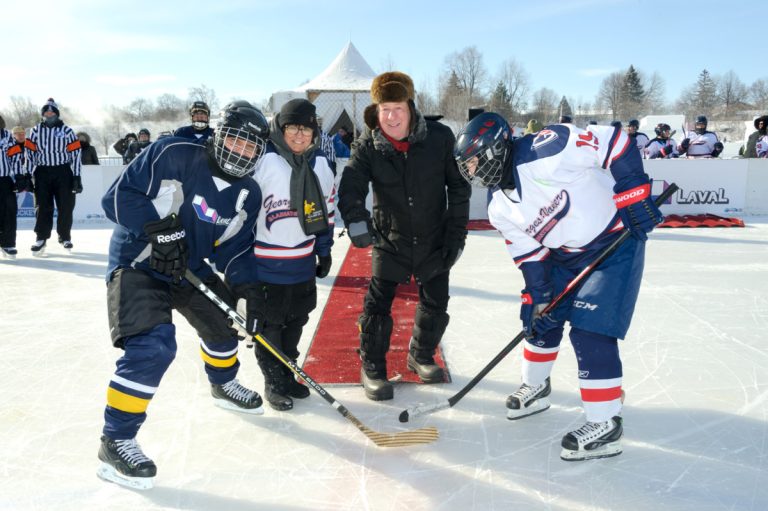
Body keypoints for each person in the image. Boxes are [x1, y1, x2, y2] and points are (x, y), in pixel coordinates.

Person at [454, 112, 663, 461]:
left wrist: (632, 191)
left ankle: (606, 423)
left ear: (496, 148)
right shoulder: (499, 207)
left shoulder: (547, 148)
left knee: (589, 331)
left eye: (475, 161)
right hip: (564, 257)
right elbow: (529, 253)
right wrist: (538, 295)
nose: (472, 171)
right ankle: (536, 387)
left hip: (614, 244)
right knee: (539, 320)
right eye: (468, 165)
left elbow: (615, 143)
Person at [96, 100, 270, 490]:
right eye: (236, 141)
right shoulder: (173, 152)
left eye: (252, 148)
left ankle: (222, 382)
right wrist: (158, 230)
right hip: (139, 262)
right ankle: (116, 439)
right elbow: (117, 199)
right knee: (153, 348)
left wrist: (246, 289)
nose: (242, 152)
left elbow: (236, 248)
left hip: (189, 267)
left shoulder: (248, 193)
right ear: (219, 134)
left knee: (224, 324)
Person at [337, 71, 471, 401]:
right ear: (376, 112)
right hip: (390, 238)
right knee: (377, 306)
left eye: (397, 108)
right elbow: (351, 187)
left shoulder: (439, 138)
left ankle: (421, 355)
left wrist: (456, 236)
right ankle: (372, 367)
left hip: (433, 237)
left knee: (436, 302)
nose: (392, 116)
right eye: (385, 109)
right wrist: (357, 221)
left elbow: (458, 187)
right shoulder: (368, 145)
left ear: (411, 108)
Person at [230, 98, 335, 411]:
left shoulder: (321, 165)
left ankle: (288, 374)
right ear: (281, 127)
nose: (300, 135)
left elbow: (327, 212)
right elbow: (241, 214)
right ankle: (273, 381)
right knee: (270, 326)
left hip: (302, 263)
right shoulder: (263, 161)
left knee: (296, 322)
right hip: (265, 264)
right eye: (293, 127)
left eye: (306, 128)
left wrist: (324, 250)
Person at [25, 98, 82, 254]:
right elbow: (30, 154)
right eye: (46, 111)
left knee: (66, 205)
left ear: (56, 113)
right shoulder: (35, 131)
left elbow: (76, 155)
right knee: (43, 206)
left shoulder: (67, 131)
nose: (48, 113)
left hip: (63, 172)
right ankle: (41, 238)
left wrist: (77, 177)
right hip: (42, 172)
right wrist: (27, 175)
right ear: (43, 114)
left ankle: (65, 237)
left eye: (51, 111)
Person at [0, 116, 22, 258]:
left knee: (9, 212)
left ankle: (8, 243)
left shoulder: (7, 136)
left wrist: (20, 177)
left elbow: (16, 157)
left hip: (4, 181)